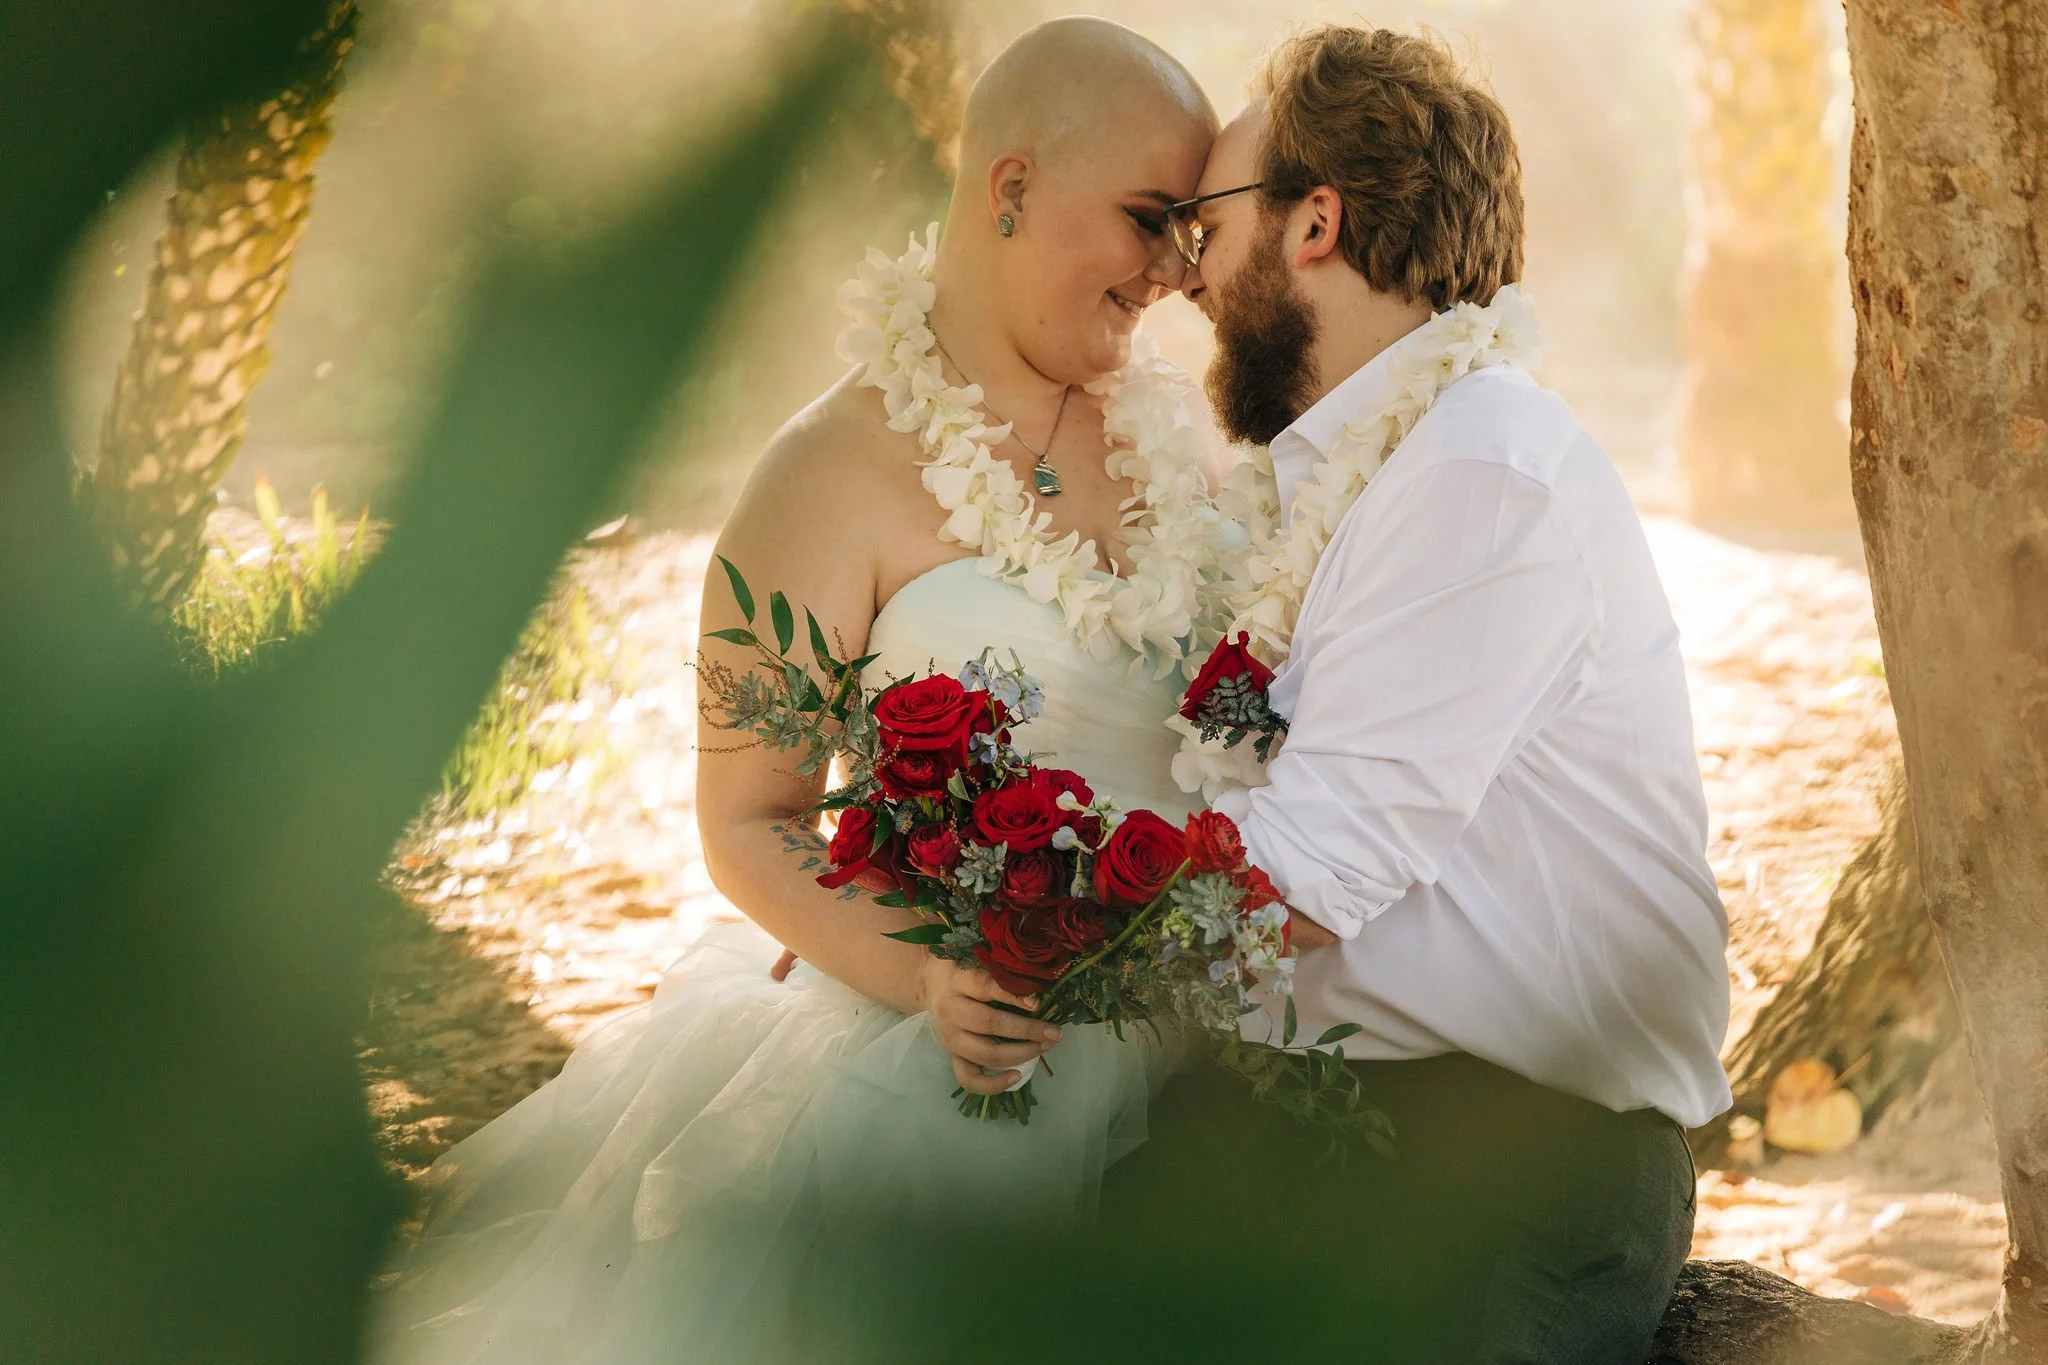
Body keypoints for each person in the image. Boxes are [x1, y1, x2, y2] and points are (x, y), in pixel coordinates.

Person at [365, 18, 1221, 1365]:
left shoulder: (1190, 446)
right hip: (958, 1041)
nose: (1177, 270)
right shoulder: (825, 473)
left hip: (1209, 1020)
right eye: (1149, 219)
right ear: (1009, 188)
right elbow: (749, 821)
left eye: (1190, 230)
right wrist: (937, 977)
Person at [1065, 25, 1732, 1365]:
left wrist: (996, 917)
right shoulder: (1324, 488)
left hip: (1505, 1161)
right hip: (1299, 1118)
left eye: (1204, 220)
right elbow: (1241, 775)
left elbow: (1307, 874)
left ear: (1315, 220)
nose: (1185, 272)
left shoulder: (1485, 468)